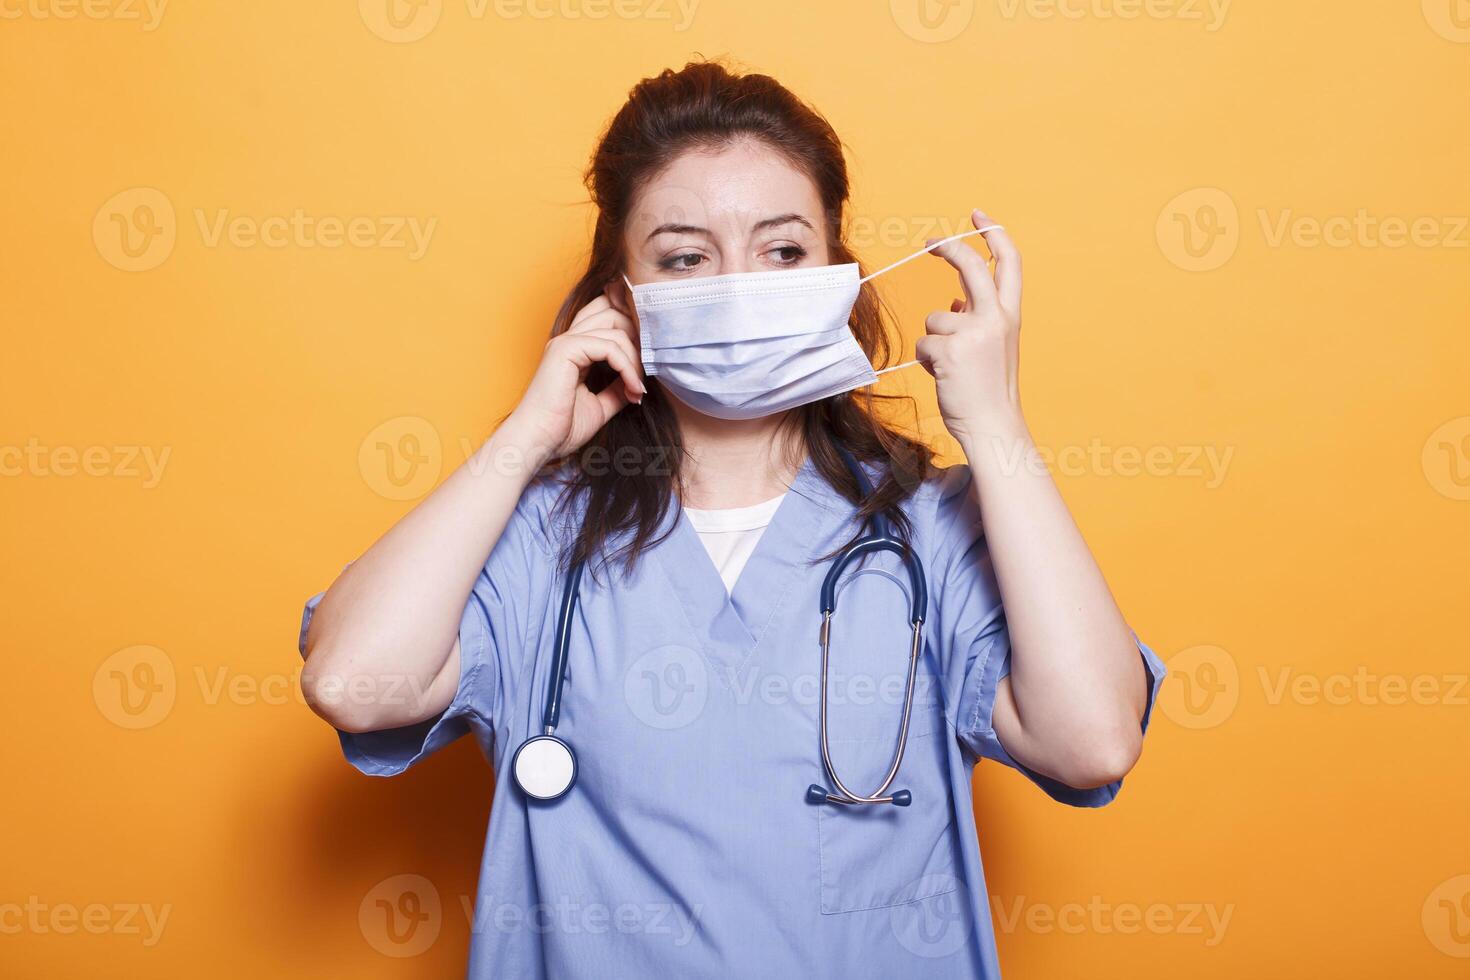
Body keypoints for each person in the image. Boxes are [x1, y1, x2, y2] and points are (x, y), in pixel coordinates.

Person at [299, 60, 1164, 978]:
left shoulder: (934, 532)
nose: (741, 285)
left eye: (783, 251)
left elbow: (1093, 741)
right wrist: (526, 438)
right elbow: (354, 684)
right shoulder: (535, 539)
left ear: (837, 274)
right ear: (621, 300)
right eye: (685, 257)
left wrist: (996, 427)